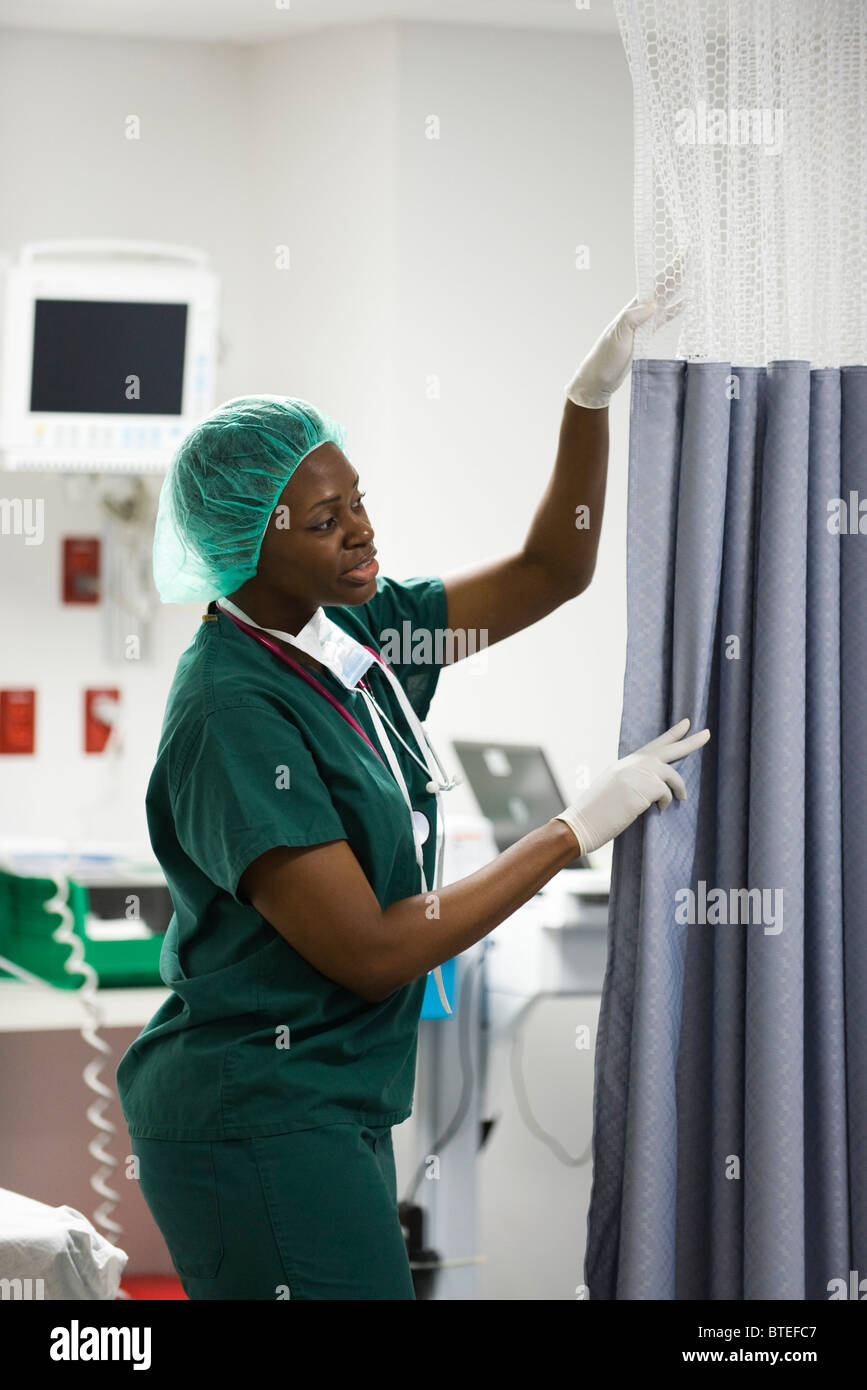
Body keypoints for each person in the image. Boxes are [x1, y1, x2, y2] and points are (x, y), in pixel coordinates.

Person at [116, 293, 710, 1300]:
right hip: (256, 1112)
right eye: (325, 519)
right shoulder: (231, 709)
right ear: (246, 544)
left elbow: (550, 569)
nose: (362, 531)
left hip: (332, 1099)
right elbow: (373, 946)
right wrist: (571, 831)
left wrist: (586, 401)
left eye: (358, 500)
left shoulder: (352, 630)